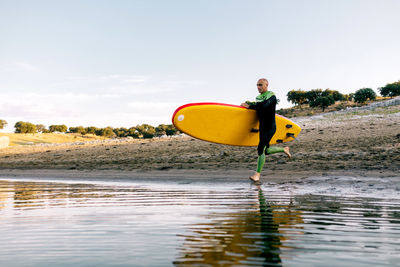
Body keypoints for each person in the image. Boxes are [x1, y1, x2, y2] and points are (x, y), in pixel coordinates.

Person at [241, 78, 291, 182]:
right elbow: (258, 109)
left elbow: (263, 107)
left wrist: (249, 106)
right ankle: (284, 149)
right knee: (266, 151)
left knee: (260, 149)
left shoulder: (271, 95)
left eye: (260, 85)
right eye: (257, 85)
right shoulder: (258, 97)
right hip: (262, 127)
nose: (258, 87)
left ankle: (257, 175)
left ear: (266, 85)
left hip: (270, 127)